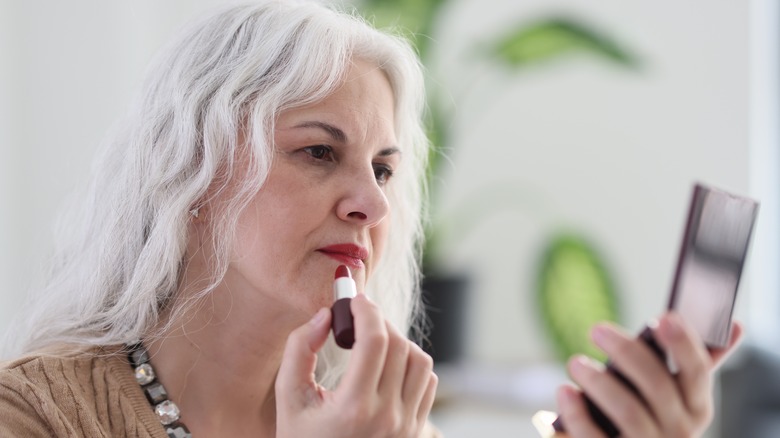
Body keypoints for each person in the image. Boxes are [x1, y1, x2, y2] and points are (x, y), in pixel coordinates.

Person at [0, 1, 741, 437]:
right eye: (319, 152)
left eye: (383, 169)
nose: (375, 204)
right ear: (193, 171)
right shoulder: (32, 415)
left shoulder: (380, 421)